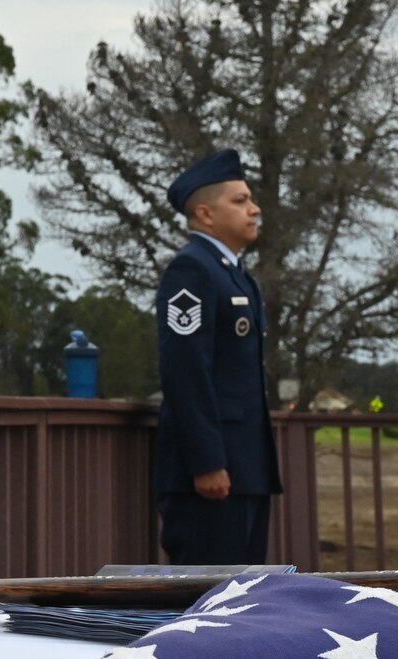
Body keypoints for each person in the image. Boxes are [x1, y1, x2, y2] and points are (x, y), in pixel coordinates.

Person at [152, 148, 283, 564]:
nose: (255, 209)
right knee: (206, 605)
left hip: (244, 470)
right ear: (206, 215)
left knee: (242, 602)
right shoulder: (191, 271)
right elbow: (185, 372)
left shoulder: (236, 275)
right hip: (211, 475)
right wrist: (207, 461)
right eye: (240, 201)